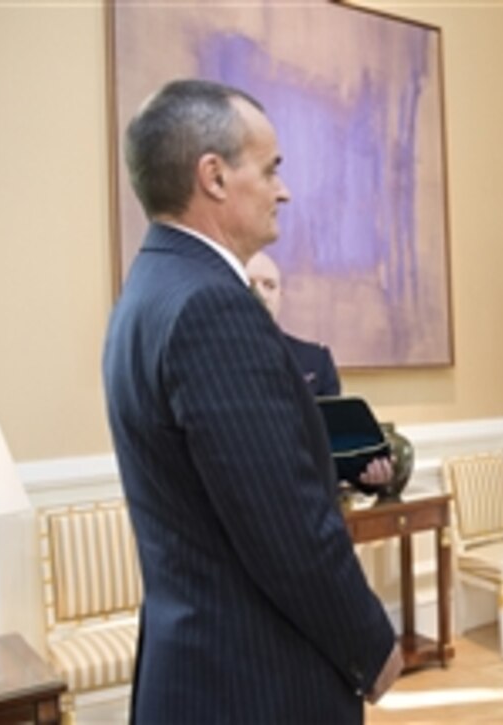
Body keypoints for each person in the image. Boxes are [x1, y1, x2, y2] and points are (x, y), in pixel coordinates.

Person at [102, 79, 403, 724]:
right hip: (252, 681)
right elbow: (285, 522)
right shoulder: (213, 305)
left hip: (194, 669)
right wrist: (370, 644)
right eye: (270, 170)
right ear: (213, 176)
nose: (284, 190)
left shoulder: (147, 292)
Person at [247, 250, 341, 397]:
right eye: (249, 285)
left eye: (269, 286)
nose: (262, 296)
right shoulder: (211, 357)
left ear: (280, 296)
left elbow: (331, 418)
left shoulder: (316, 360)